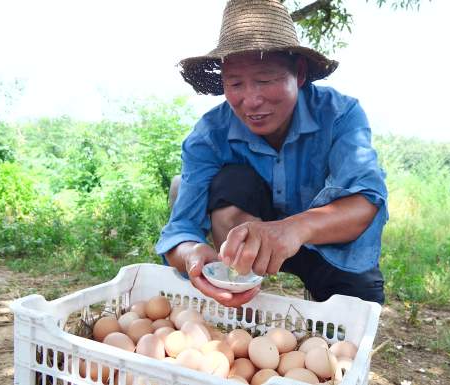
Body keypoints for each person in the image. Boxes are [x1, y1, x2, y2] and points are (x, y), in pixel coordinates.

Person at [155, 0, 388, 308]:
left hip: (324, 240)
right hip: (246, 247)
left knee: (358, 305)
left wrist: (294, 229)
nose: (251, 100)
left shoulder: (339, 114)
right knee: (231, 179)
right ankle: (244, 291)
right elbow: (180, 230)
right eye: (235, 83)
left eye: (264, 80)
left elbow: (365, 201)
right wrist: (192, 255)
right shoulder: (209, 135)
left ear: (300, 74)